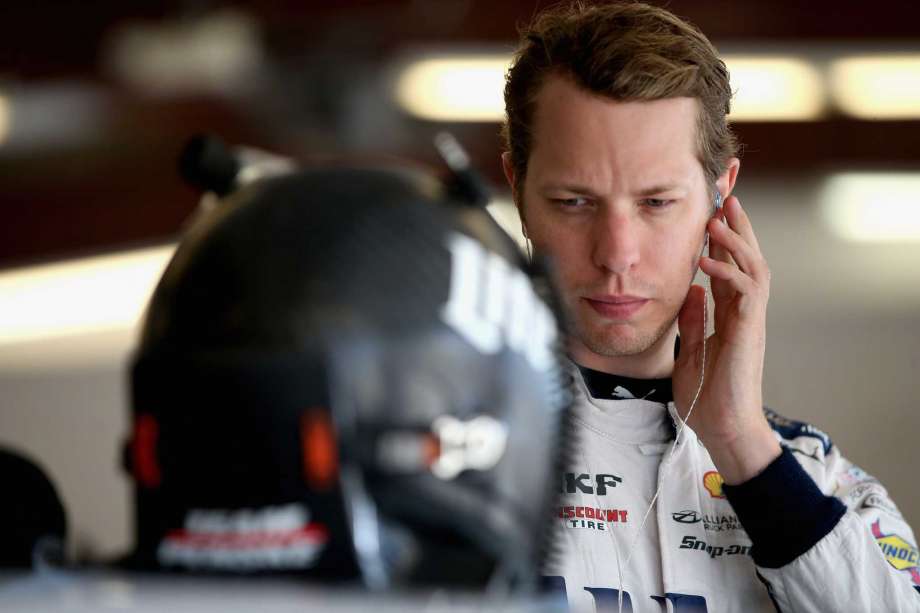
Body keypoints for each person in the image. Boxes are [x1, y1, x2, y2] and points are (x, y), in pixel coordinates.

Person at [500, 2, 920, 611]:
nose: (618, 254)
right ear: (517, 190)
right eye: (574, 201)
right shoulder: (438, 450)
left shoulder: (813, 475)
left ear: (719, 194)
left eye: (656, 202)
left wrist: (743, 446)